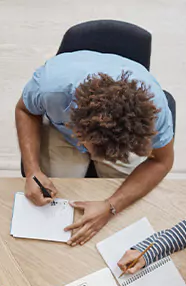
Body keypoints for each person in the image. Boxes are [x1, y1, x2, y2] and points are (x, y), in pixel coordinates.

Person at [15, 50, 175, 246]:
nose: (91, 156)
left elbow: (162, 161)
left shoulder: (154, 113)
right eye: (89, 146)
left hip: (115, 141)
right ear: (78, 123)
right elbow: (24, 110)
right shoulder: (51, 88)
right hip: (63, 131)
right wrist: (32, 171)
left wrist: (111, 206)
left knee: (126, 209)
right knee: (56, 193)